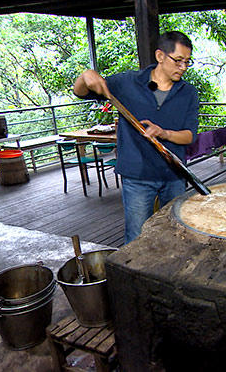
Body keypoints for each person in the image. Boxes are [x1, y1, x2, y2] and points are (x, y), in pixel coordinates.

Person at [73, 31, 200, 244]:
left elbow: (189, 136)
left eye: (187, 62)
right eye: (178, 60)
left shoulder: (188, 93)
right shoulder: (127, 83)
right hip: (137, 176)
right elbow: (80, 91)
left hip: (174, 174)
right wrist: (86, 75)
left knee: (176, 234)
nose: (183, 67)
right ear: (160, 56)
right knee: (136, 237)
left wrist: (164, 133)